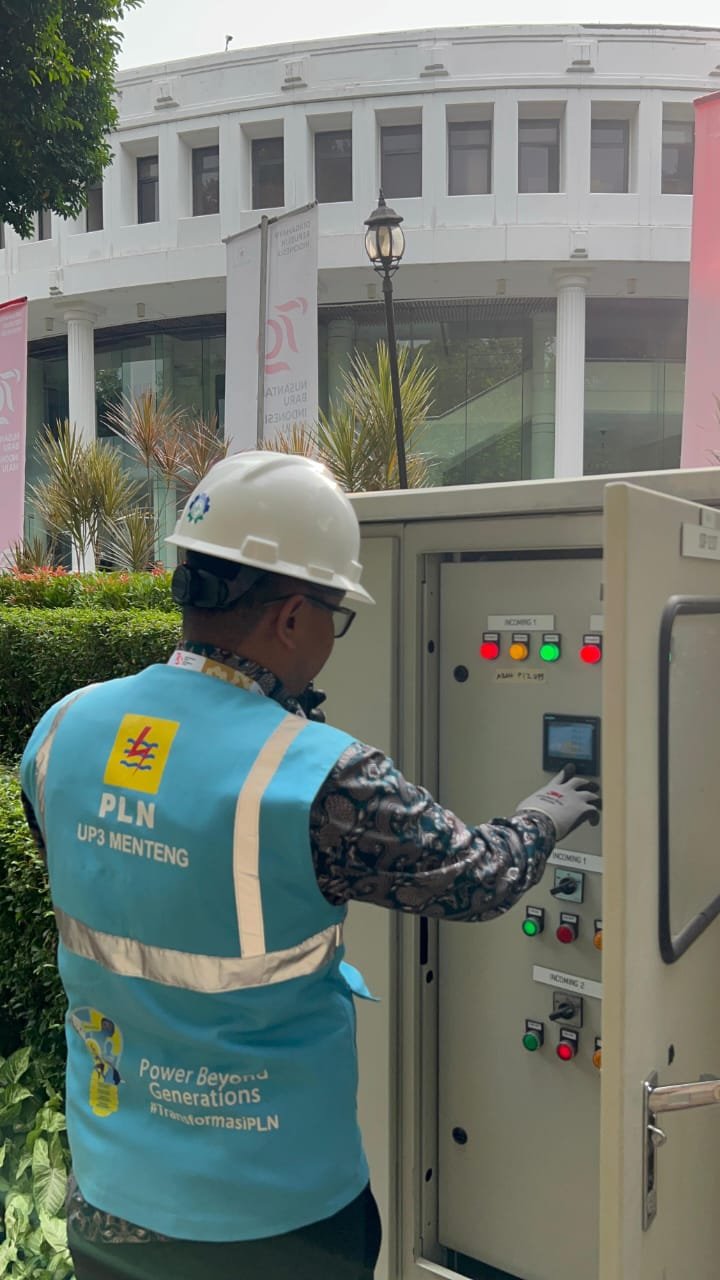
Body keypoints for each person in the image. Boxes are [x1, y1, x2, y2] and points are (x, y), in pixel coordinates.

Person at [20, 452, 600, 1280]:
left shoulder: (62, 729)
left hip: (111, 1202)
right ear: (294, 617)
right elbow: (477, 878)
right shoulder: (321, 777)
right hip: (271, 1219)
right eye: (337, 615)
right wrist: (552, 808)